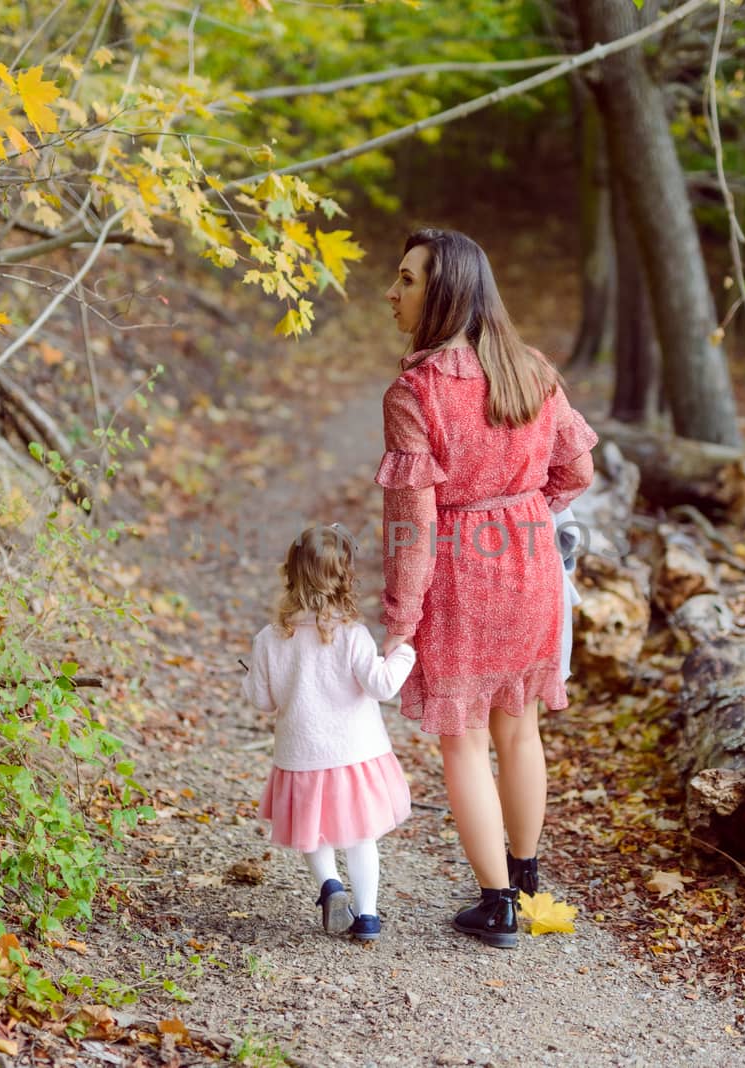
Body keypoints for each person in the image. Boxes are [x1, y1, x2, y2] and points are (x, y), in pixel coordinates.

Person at [376, 228, 597, 949]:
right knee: (520, 725)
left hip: (460, 568)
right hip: (532, 557)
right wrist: (529, 512)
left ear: (444, 293)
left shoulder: (416, 391)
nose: (393, 292)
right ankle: (527, 884)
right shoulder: (533, 370)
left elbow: (411, 521)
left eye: (407, 280)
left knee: (464, 739)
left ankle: (497, 904)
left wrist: (400, 619)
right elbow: (578, 471)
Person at [242, 524, 416, 943]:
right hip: (354, 754)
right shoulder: (351, 635)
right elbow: (382, 685)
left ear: (291, 572)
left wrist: (249, 678)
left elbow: (262, 701)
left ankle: (330, 887)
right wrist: (404, 652)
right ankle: (368, 916)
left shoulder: (269, 639)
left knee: (312, 830)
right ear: (345, 578)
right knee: (360, 837)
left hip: (301, 756)